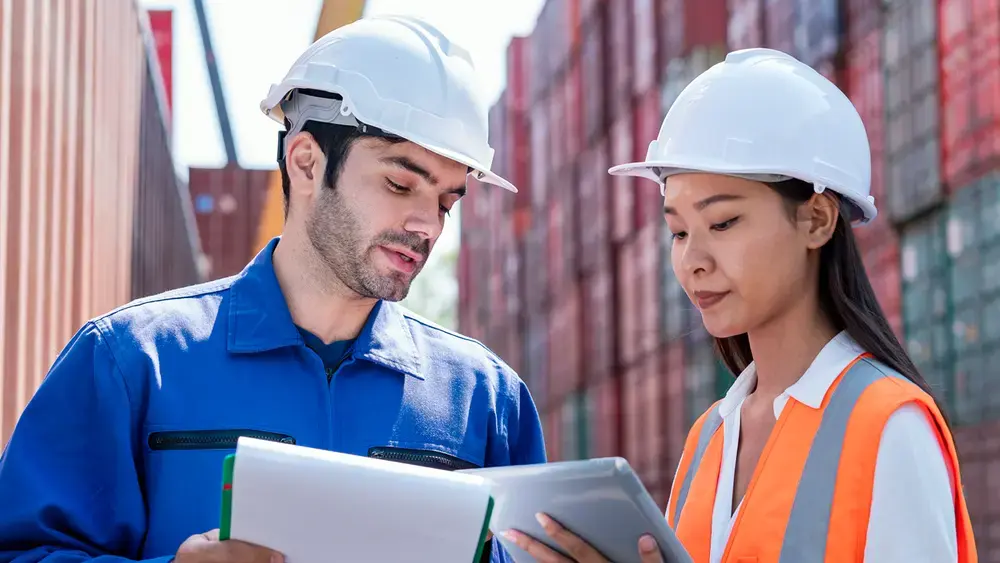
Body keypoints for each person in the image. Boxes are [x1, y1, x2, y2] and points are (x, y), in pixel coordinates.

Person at [0, 15, 545, 563]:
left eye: (446, 202)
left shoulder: (487, 399)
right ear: (306, 162)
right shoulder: (131, 361)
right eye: (400, 184)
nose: (428, 224)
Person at [503, 48, 977, 562]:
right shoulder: (708, 438)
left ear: (817, 219)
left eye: (723, 223)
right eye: (678, 231)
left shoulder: (889, 426)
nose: (692, 261)